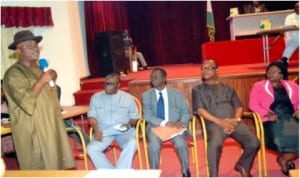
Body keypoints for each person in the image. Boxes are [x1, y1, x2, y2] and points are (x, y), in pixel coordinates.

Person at [3, 30, 75, 169]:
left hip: (51, 125)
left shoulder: (40, 69)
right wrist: (42, 81)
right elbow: (25, 101)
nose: (34, 47)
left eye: (35, 44)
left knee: (57, 165)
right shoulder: (13, 74)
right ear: (18, 50)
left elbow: (49, 96)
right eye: (29, 45)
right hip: (33, 130)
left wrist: (52, 76)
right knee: (39, 167)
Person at [192, 59, 260, 177]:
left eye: (209, 67)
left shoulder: (228, 88)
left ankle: (243, 164)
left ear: (217, 70)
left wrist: (235, 120)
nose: (205, 70)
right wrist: (220, 122)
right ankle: (213, 175)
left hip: (234, 122)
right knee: (215, 144)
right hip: (214, 124)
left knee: (254, 142)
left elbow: (238, 106)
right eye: (203, 68)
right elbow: (200, 110)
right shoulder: (197, 90)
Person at [248, 61, 299, 176]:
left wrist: (299, 110)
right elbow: (253, 105)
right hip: (273, 119)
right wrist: (266, 114)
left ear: (281, 75)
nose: (271, 74)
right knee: (282, 140)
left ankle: (284, 158)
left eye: (275, 72)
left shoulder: (292, 85)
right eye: (269, 71)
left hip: (291, 118)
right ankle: (285, 158)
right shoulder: (259, 86)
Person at [142, 67, 191, 177]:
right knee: (153, 146)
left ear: (164, 79)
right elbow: (147, 116)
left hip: (175, 127)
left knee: (181, 143)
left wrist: (182, 124)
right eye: (152, 76)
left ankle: (185, 170)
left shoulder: (177, 94)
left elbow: (186, 112)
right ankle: (154, 173)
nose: (153, 79)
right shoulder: (146, 95)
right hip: (156, 127)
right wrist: (166, 123)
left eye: (156, 76)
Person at [86, 72, 139, 169]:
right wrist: (96, 129)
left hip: (124, 132)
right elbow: (91, 117)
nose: (107, 86)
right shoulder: (96, 97)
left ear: (118, 85)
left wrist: (128, 125)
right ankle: (111, 173)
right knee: (91, 149)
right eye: (106, 83)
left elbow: (134, 118)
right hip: (104, 132)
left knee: (133, 144)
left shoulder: (128, 98)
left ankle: (120, 172)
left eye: (111, 84)